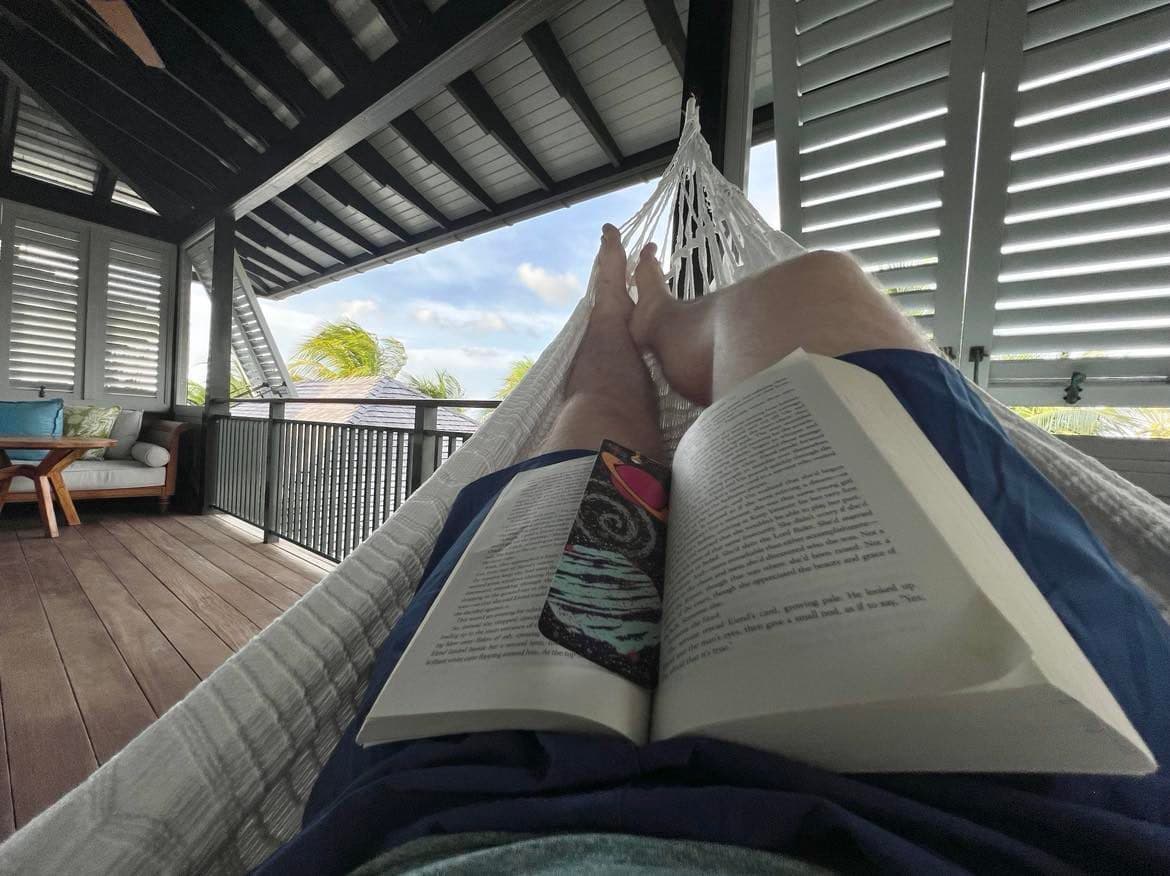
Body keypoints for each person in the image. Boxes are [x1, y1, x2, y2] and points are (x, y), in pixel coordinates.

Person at [256, 227, 1170, 875]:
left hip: (463, 806)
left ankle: (618, 334)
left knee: (600, 436)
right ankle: (660, 325)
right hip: (1018, 815)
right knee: (812, 290)